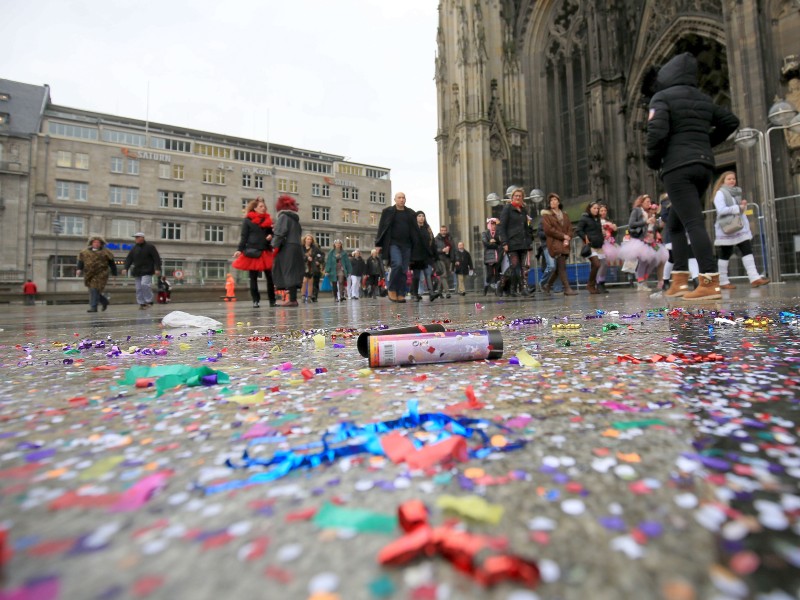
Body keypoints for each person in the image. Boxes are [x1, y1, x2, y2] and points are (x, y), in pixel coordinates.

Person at [645, 51, 740, 300]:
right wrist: (705, 143)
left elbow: (656, 132)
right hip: (704, 166)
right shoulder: (703, 98)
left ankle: (709, 281)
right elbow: (731, 121)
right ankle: (679, 280)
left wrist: (653, 160)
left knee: (692, 222)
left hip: (678, 169)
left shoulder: (662, 97)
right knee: (676, 224)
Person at [711, 171, 770, 289]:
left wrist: (743, 207)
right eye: (729, 179)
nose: (732, 180)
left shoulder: (735, 193)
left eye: (733, 178)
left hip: (738, 228)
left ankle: (754, 278)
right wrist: (738, 207)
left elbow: (738, 211)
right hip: (726, 228)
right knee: (725, 254)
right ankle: (723, 281)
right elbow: (721, 210)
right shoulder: (720, 193)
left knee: (747, 249)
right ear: (723, 181)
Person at [375, 192, 421, 303]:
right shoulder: (388, 212)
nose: (401, 199)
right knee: (397, 264)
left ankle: (401, 293)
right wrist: (378, 244)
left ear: (405, 200)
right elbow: (382, 228)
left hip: (407, 245)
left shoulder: (410, 213)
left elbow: (415, 230)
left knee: (404, 269)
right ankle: (391, 288)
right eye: (399, 198)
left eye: (403, 197)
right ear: (395, 199)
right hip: (393, 244)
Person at [231, 197, 276, 308]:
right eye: (261, 206)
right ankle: (256, 301)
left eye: (264, 206)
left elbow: (271, 233)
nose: (263, 208)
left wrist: (271, 236)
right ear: (254, 208)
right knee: (253, 277)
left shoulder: (268, 220)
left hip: (265, 250)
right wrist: (239, 250)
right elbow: (244, 237)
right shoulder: (247, 220)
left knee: (270, 277)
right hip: (253, 251)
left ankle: (272, 300)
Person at [618, 195, 661, 291]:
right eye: (647, 202)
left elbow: (654, 228)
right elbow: (631, 224)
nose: (649, 204)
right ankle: (641, 283)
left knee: (654, 259)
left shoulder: (650, 213)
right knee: (643, 261)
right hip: (640, 240)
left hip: (651, 241)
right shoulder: (637, 210)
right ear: (641, 202)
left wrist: (656, 224)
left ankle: (643, 279)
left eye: (650, 202)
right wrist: (646, 221)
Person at [497, 187, 533, 297]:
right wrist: (504, 243)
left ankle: (522, 289)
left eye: (520, 196)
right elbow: (502, 227)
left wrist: (529, 227)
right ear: (512, 197)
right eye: (516, 196)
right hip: (512, 243)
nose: (518, 197)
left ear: (522, 198)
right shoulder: (508, 208)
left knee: (523, 267)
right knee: (514, 265)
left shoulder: (523, 210)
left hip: (523, 243)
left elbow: (527, 227)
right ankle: (501, 284)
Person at [271, 194, 304, 307]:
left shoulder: (283, 217)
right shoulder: (295, 220)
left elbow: (280, 232)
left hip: (287, 247)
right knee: (293, 272)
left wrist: (273, 245)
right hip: (297, 246)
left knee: (288, 271)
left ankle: (291, 299)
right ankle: (293, 299)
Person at [541, 192, 577, 296]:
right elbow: (549, 230)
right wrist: (563, 236)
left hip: (564, 243)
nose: (553, 202)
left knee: (558, 268)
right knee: (562, 266)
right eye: (551, 200)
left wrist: (568, 237)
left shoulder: (565, 215)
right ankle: (567, 288)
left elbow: (570, 228)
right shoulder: (547, 216)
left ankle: (548, 285)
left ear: (558, 201)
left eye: (555, 200)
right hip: (554, 243)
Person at [76, 235, 117, 312]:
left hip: (101, 273)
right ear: (91, 243)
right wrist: (79, 269)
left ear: (101, 244)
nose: (96, 244)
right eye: (95, 242)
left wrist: (114, 273)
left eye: (98, 242)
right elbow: (81, 261)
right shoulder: (85, 252)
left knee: (94, 289)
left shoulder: (106, 252)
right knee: (93, 290)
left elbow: (112, 264)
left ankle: (93, 307)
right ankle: (104, 301)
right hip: (89, 274)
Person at [123, 232, 161, 309]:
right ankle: (141, 303)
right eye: (135, 238)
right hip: (137, 271)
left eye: (137, 237)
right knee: (138, 288)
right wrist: (125, 268)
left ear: (142, 238)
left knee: (145, 284)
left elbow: (156, 258)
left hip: (147, 270)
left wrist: (157, 268)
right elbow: (129, 259)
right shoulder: (134, 248)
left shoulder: (150, 247)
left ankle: (149, 300)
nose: (136, 239)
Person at [575, 201, 605, 294]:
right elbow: (578, 230)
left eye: (597, 208)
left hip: (598, 245)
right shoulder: (585, 218)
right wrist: (585, 238)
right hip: (590, 245)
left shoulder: (597, 219)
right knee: (596, 264)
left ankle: (593, 285)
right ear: (590, 209)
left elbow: (598, 231)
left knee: (596, 266)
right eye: (594, 208)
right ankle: (590, 284)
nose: (596, 210)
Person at [410, 211, 437, 302]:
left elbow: (432, 242)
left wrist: (434, 255)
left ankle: (431, 293)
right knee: (416, 276)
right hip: (416, 256)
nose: (421, 217)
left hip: (426, 255)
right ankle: (415, 294)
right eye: (419, 216)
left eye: (423, 216)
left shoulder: (428, 228)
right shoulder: (412, 229)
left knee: (428, 274)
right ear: (416, 218)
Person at [597, 204, 617, 293]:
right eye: (601, 211)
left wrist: (614, 229)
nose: (603, 212)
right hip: (600, 244)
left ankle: (602, 283)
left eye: (605, 210)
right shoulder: (597, 221)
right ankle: (598, 283)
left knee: (605, 265)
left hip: (608, 243)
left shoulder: (609, 220)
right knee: (602, 264)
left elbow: (614, 234)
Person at [301, 234, 325, 303]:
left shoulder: (315, 248)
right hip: (304, 266)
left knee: (311, 282)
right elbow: (299, 255)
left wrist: (318, 261)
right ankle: (303, 296)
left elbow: (322, 254)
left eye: (310, 239)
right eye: (308, 239)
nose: (309, 240)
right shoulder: (301, 247)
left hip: (312, 266)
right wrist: (306, 258)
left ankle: (310, 296)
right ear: (305, 240)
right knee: (304, 281)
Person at [481, 218, 502, 295]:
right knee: (490, 274)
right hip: (489, 256)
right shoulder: (485, 233)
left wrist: (494, 242)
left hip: (497, 255)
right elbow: (485, 243)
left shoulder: (498, 233)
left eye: (494, 225)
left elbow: (500, 243)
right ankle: (486, 286)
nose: (493, 226)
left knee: (497, 273)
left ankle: (497, 290)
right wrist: (494, 244)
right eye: (492, 225)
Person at [434, 225, 455, 298]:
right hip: (440, 258)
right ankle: (448, 292)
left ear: (446, 231)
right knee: (443, 275)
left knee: (446, 276)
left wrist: (453, 259)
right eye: (442, 230)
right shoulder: (436, 239)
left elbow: (453, 248)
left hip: (448, 259)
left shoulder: (450, 238)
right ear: (440, 231)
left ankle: (439, 292)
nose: (443, 232)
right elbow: (434, 250)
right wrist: (442, 250)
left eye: (444, 230)